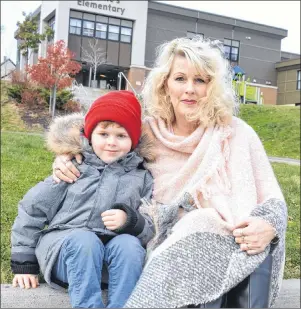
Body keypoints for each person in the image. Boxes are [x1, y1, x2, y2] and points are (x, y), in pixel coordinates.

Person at [49, 37, 287, 308]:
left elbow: (272, 199)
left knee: (206, 224)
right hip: (158, 241)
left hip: (233, 241)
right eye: (180, 79)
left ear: (213, 87)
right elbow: (97, 135)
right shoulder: (144, 133)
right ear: (165, 84)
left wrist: (269, 225)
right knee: (198, 226)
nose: (190, 90)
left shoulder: (235, 132)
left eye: (201, 80)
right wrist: (68, 153)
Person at [10, 90, 155, 308]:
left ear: (133, 141)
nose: (111, 142)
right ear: (89, 135)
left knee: (130, 245)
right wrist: (24, 263)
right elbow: (33, 209)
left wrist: (131, 221)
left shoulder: (141, 177)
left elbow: (152, 221)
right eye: (103, 134)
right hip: (67, 254)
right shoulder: (72, 168)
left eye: (121, 135)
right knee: (84, 241)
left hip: (111, 265)